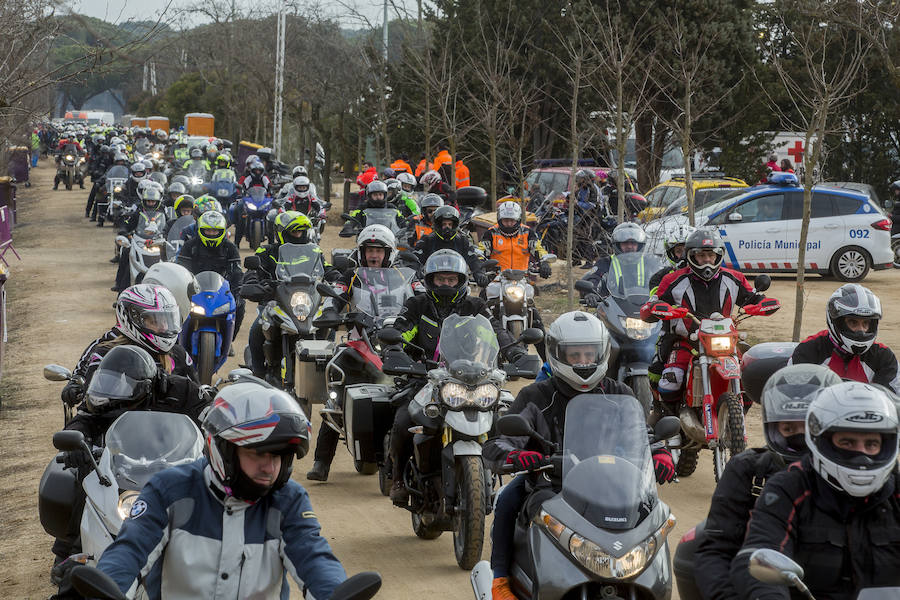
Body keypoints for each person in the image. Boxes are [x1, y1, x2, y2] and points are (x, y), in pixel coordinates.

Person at [94, 381, 348, 599]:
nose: (270, 467)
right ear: (221, 449)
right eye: (258, 453)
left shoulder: (288, 500)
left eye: (279, 456)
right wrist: (107, 587)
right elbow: (130, 550)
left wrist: (334, 592)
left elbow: (313, 558)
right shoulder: (169, 490)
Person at [484, 311, 676, 600]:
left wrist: (659, 454)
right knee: (509, 500)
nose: (583, 361)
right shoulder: (535, 396)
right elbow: (498, 442)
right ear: (557, 354)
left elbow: (641, 435)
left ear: (602, 353)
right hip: (549, 485)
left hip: (615, 487)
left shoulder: (620, 394)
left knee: (652, 513)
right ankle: (500, 580)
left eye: (589, 353)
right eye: (575, 355)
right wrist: (517, 456)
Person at [50, 345, 211, 594]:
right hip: (122, 468)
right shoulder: (108, 397)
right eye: (109, 382)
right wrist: (77, 440)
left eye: (121, 383)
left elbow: (213, 413)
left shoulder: (181, 389)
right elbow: (84, 418)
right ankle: (71, 552)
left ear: (145, 386)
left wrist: (221, 431)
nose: (113, 390)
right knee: (83, 483)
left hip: (176, 469)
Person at [730, 381, 900, 600]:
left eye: (871, 444)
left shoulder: (896, 492)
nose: (862, 455)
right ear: (822, 440)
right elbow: (760, 554)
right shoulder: (789, 489)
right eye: (848, 442)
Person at [385, 250, 527, 504]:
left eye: (452, 280)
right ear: (430, 281)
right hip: (425, 376)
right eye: (441, 280)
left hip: (473, 377)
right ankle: (396, 477)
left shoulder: (475, 306)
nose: (446, 285)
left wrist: (515, 351)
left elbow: (494, 333)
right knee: (403, 419)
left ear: (461, 281)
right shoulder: (417, 305)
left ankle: (503, 470)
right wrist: (395, 349)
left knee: (503, 414)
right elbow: (402, 330)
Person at [691, 364, 842, 600]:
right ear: (772, 427)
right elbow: (715, 551)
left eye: (809, 426)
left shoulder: (855, 475)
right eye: (788, 428)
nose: (800, 437)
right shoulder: (749, 470)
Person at [306, 225, 402, 481]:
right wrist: (330, 311)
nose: (373, 255)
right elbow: (334, 295)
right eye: (369, 250)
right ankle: (321, 462)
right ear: (361, 252)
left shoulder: (403, 277)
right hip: (359, 344)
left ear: (388, 253)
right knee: (335, 393)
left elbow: (420, 296)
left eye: (378, 251)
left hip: (397, 344)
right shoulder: (350, 275)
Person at [640, 230, 768, 412]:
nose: (707, 260)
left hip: (724, 343)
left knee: (746, 379)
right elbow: (653, 303)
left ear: (718, 256)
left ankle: (734, 422)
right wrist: (656, 309)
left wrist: (764, 303)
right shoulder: (672, 280)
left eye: (711, 255)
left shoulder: (734, 278)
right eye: (701, 255)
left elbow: (753, 298)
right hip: (686, 342)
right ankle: (669, 421)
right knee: (670, 382)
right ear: (691, 256)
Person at [60, 284, 197, 409]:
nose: (164, 327)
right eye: (154, 321)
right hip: (122, 428)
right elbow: (90, 408)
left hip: (170, 431)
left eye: (167, 320)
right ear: (131, 318)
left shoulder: (178, 354)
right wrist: (76, 381)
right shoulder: (107, 353)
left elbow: (198, 394)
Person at [241, 212, 339, 381]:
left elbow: (327, 268)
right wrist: (254, 283)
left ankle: (327, 373)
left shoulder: (314, 251)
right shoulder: (266, 250)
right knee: (257, 329)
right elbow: (252, 271)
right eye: (294, 232)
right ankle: (257, 373)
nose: (298, 235)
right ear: (281, 232)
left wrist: (337, 278)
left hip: (308, 303)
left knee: (328, 327)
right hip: (274, 303)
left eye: (301, 231)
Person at [789, 283, 900, 393]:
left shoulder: (883, 357)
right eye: (853, 322)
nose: (860, 330)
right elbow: (795, 396)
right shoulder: (809, 350)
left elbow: (890, 402)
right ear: (836, 322)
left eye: (866, 323)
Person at [479, 201, 551, 358]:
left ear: (518, 220)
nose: (509, 223)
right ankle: (477, 351)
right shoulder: (491, 234)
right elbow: (481, 250)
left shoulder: (527, 233)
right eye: (505, 220)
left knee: (536, 317)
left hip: (521, 280)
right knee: (480, 309)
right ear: (499, 219)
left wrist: (544, 262)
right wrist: (480, 265)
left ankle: (548, 363)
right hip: (496, 280)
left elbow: (538, 248)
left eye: (512, 220)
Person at [176, 210, 245, 339]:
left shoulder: (230, 248)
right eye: (208, 230)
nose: (212, 234)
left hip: (221, 291)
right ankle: (176, 338)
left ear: (222, 231)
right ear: (201, 230)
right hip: (193, 290)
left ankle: (230, 339)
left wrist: (237, 291)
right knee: (174, 306)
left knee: (240, 305)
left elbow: (236, 272)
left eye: (215, 231)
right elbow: (181, 268)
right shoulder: (190, 245)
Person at [413, 205, 486, 284]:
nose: (447, 227)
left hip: (457, 281)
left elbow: (473, 258)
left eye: (450, 224)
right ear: (438, 225)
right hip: (433, 281)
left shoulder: (463, 240)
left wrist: (479, 274)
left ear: (454, 225)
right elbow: (416, 259)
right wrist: (415, 275)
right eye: (444, 224)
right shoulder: (427, 240)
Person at [112, 185, 165, 292]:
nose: (150, 203)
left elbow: (169, 226)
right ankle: (121, 289)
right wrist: (124, 230)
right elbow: (127, 223)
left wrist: (168, 235)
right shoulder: (138, 211)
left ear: (158, 201)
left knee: (170, 261)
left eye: (153, 201)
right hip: (140, 241)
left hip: (158, 242)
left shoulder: (164, 212)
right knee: (126, 254)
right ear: (144, 201)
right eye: (148, 201)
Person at [580, 221, 647, 292]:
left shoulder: (648, 263)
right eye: (625, 243)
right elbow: (594, 278)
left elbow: (656, 282)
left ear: (639, 245)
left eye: (633, 243)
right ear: (617, 245)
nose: (629, 246)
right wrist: (591, 293)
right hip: (610, 302)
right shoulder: (605, 263)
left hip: (645, 302)